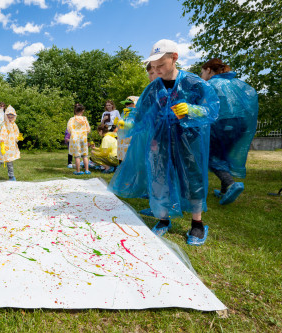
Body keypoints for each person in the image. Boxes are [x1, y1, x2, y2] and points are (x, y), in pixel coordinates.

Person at [108, 39, 219, 246]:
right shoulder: (152, 89)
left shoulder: (194, 83)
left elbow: (212, 109)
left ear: (174, 58)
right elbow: (141, 116)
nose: (157, 70)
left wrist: (193, 110)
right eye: (154, 67)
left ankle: (197, 224)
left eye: (161, 65)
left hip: (189, 142)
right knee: (159, 177)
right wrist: (128, 125)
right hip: (159, 142)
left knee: (192, 179)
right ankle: (162, 219)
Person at [201, 58, 259, 205]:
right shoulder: (234, 83)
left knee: (211, 157)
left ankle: (232, 184)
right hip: (240, 125)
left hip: (222, 124)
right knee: (224, 155)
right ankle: (224, 191)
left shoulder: (210, 84)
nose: (201, 75)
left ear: (208, 70)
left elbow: (203, 106)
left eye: (202, 71)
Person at [0, 105, 23, 181]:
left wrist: (18, 138)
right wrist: (2, 144)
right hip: (2, 147)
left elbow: (16, 133)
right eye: (8, 116)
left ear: (14, 116)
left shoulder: (14, 125)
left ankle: (11, 176)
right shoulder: (3, 125)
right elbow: (0, 135)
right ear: (5, 116)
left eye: (12, 116)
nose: (10, 117)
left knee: (10, 162)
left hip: (10, 147)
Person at [68, 103, 91, 175]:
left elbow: (69, 129)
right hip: (83, 138)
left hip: (75, 138)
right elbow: (88, 129)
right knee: (85, 155)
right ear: (83, 110)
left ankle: (78, 171)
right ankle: (87, 170)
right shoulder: (85, 119)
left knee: (77, 156)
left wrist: (73, 132)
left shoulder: (72, 119)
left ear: (75, 111)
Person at [116, 96, 139, 162]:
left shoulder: (138, 113)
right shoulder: (125, 112)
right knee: (122, 154)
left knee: (131, 154)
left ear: (135, 103)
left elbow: (135, 124)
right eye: (126, 104)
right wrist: (118, 122)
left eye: (129, 103)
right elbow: (121, 124)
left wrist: (125, 123)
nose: (127, 105)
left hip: (131, 137)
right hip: (122, 138)